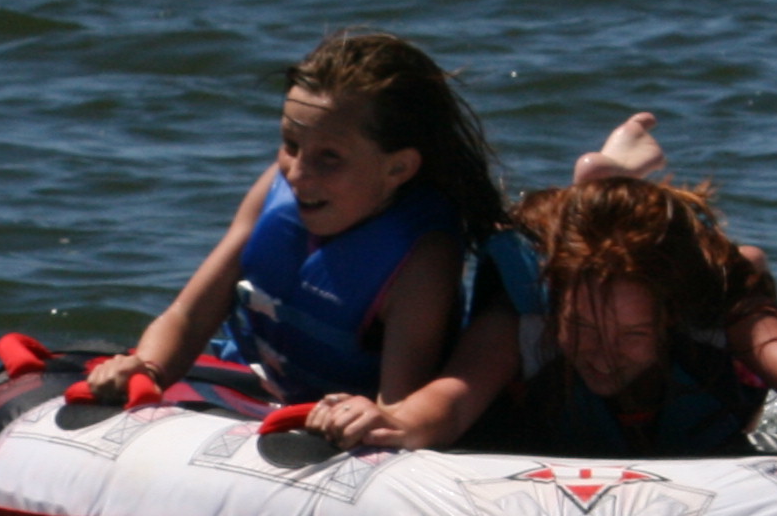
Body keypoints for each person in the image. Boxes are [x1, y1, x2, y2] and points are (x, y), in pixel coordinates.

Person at [75, 31, 510, 434]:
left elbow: (397, 409)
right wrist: (148, 368)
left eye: (329, 157)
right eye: (291, 145)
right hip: (257, 386)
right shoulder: (277, 188)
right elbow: (187, 317)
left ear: (398, 167)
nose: (297, 174)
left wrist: (373, 421)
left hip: (333, 416)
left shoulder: (423, 259)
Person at [463, 113, 777, 461]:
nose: (603, 355)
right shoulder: (522, 324)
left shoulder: (719, 314)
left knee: (743, 269)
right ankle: (603, 182)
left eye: (633, 334)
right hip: (571, 268)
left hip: (697, 292)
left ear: (669, 317)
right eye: (582, 329)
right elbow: (443, 406)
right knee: (566, 250)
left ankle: (606, 183)